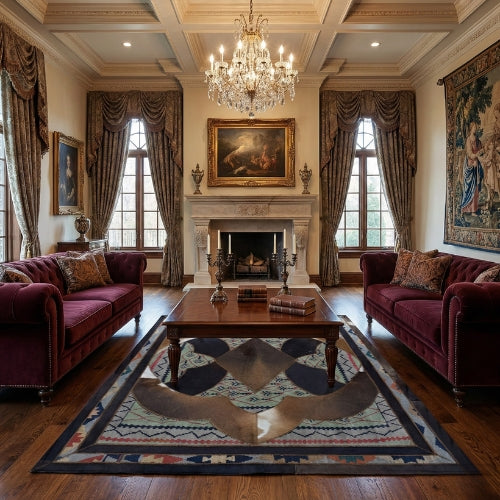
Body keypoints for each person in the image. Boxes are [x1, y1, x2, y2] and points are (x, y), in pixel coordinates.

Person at [459, 121, 484, 215]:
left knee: (476, 188)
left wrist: (482, 151)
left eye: (476, 127)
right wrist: (476, 156)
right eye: (474, 127)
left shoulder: (477, 140)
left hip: (476, 165)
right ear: (471, 128)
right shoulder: (469, 140)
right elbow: (470, 153)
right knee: (470, 187)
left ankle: (474, 209)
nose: (475, 128)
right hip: (470, 164)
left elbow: (481, 150)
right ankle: (466, 208)